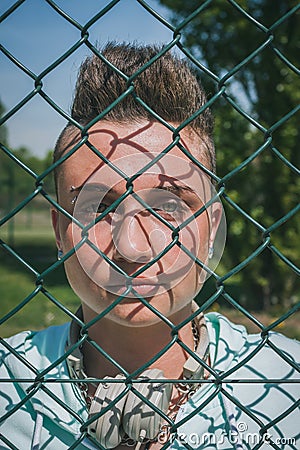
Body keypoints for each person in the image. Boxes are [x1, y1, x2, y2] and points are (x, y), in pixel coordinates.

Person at [0, 42, 299, 450]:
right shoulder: (9, 384)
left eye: (169, 206)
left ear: (211, 228)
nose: (133, 247)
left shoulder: (287, 382)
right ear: (59, 230)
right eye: (98, 207)